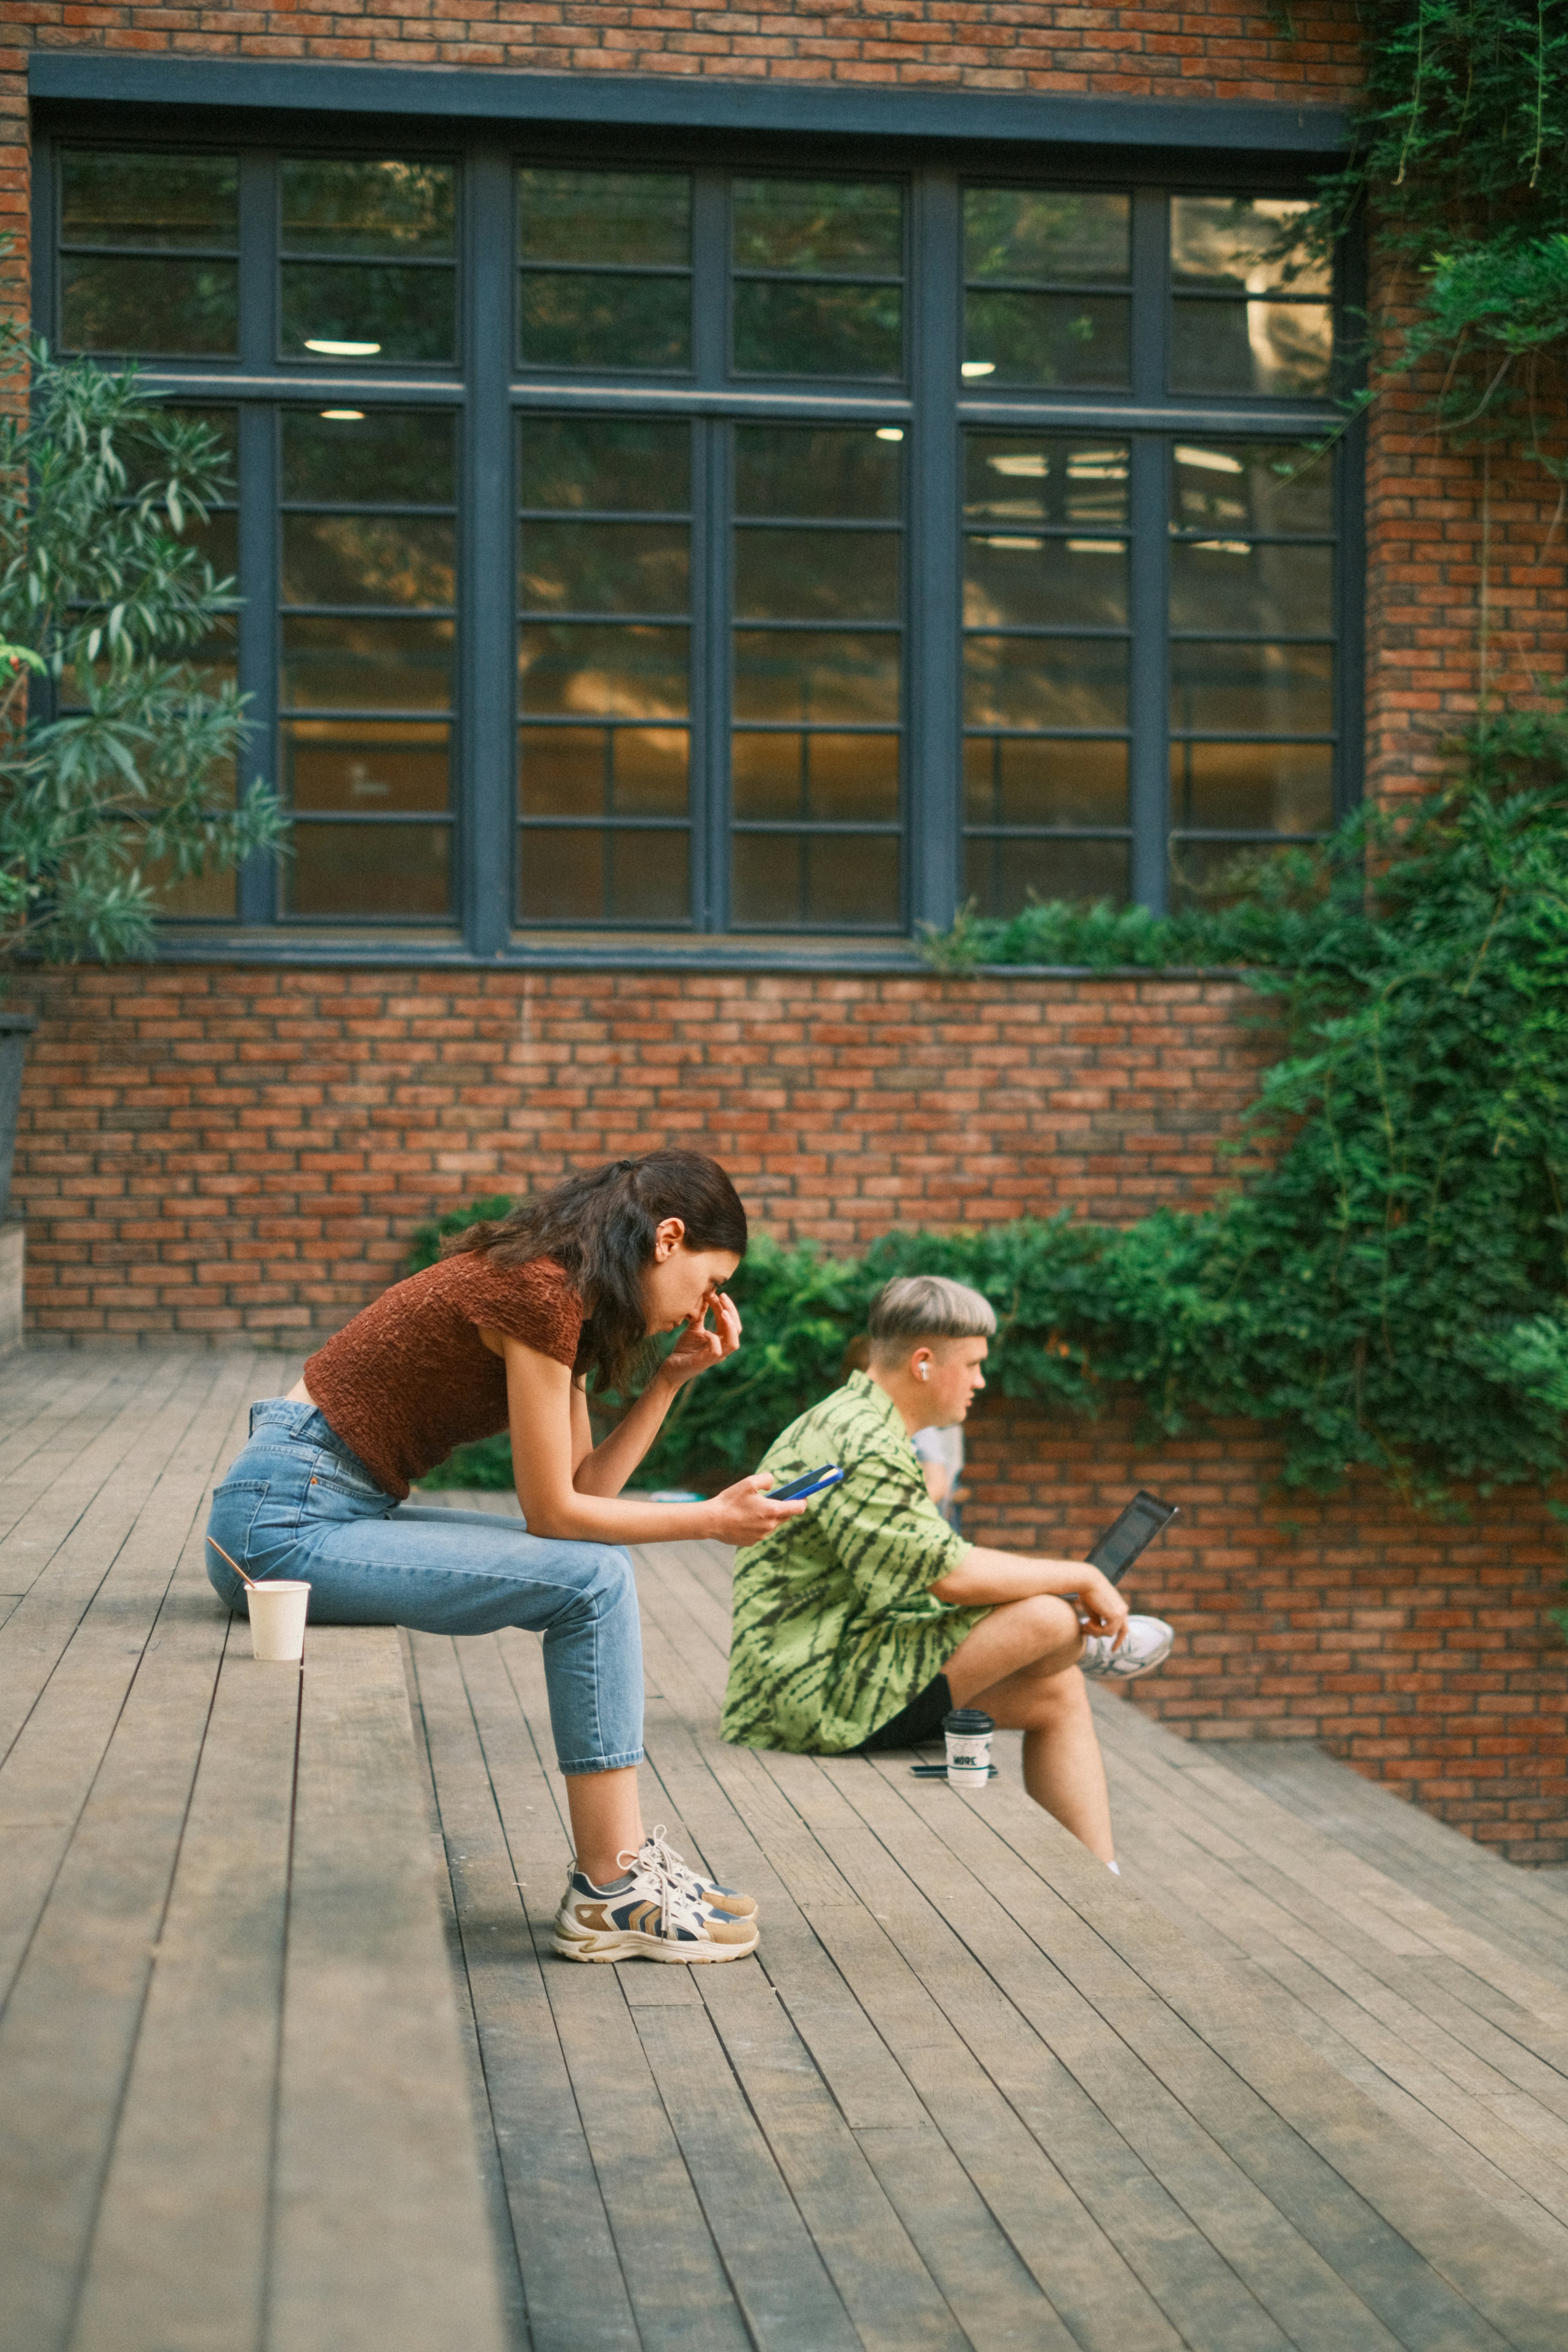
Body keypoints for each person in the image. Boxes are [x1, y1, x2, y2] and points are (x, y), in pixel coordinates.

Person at [206, 1149, 805, 1964]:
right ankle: (612, 1884)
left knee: (593, 1572)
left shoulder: (570, 1302)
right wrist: (707, 1519)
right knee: (595, 1583)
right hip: (283, 1523)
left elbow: (579, 1494)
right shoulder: (537, 1292)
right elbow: (555, 1514)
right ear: (668, 1238)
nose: (709, 1305)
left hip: (324, 1502)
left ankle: (617, 1876)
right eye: (709, 1282)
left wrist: (667, 1385)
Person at [723, 1275, 1174, 1868]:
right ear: (925, 1364)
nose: (982, 1382)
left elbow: (932, 1563)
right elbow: (951, 1577)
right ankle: (1076, 1645)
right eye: (975, 1364)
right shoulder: (868, 1444)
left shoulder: (856, 1419)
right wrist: (1082, 1579)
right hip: (813, 1696)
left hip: (812, 1670)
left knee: (1059, 1697)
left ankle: (1103, 1880)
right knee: (1049, 1618)